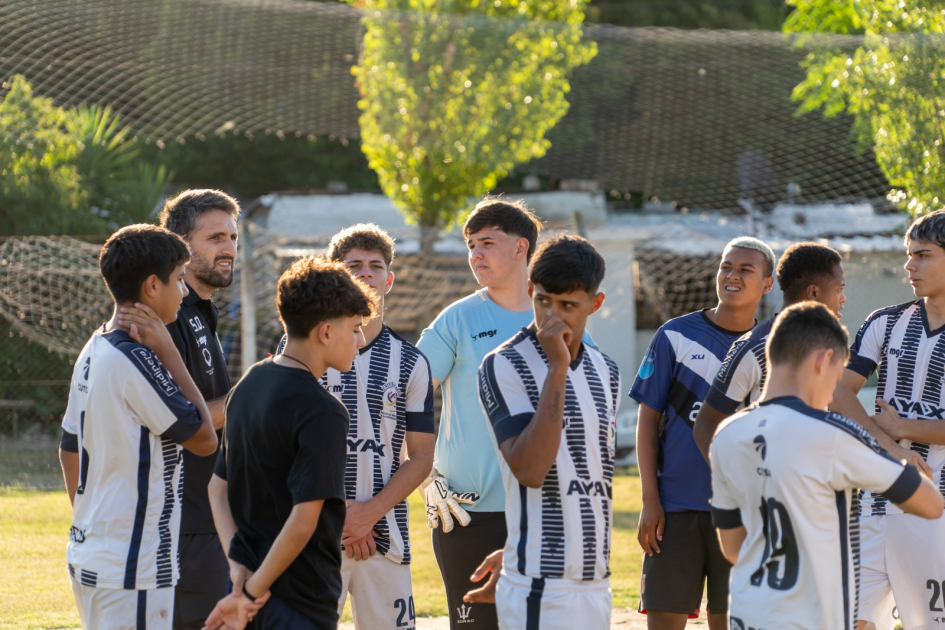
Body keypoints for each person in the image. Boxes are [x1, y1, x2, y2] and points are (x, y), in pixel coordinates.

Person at [711, 302, 943, 630]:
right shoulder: (834, 435)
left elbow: (733, 547)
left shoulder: (727, 435)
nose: (832, 394)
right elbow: (930, 504)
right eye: (836, 378)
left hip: (748, 615)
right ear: (823, 361)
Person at [203, 256, 376, 630]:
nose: (360, 341)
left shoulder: (249, 382)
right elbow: (302, 523)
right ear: (326, 332)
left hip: (247, 588)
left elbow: (217, 488)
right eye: (356, 328)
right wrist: (250, 594)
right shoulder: (323, 411)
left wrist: (239, 571)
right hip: (298, 603)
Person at [58, 224, 217, 630]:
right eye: (179, 280)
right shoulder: (138, 358)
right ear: (151, 286)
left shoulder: (95, 346)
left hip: (92, 556)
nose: (184, 292)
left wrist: (96, 527)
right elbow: (204, 438)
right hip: (133, 571)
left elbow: (68, 448)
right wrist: (169, 351)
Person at [277, 224, 435, 629]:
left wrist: (368, 515)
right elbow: (283, 446)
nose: (366, 273)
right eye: (354, 265)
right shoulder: (299, 349)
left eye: (375, 265)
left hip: (386, 539)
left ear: (390, 278)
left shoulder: (411, 362)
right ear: (335, 272)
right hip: (310, 536)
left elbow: (420, 457)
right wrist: (341, 516)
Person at [631, 236, 775, 629]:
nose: (732, 275)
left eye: (746, 269)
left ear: (768, 283)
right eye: (727, 266)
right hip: (676, 507)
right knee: (664, 620)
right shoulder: (674, 335)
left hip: (745, 510)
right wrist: (650, 499)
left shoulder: (775, 346)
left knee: (733, 621)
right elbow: (648, 421)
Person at [477, 235, 620, 629]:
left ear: (595, 304)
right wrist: (557, 370)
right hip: (540, 583)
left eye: (568, 306)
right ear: (529, 291)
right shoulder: (503, 364)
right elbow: (530, 470)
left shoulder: (606, 371)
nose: (553, 318)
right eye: (543, 301)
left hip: (596, 580)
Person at [416, 197, 546, 629]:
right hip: (469, 513)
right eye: (471, 244)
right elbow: (402, 401)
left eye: (487, 242)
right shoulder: (457, 319)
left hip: (544, 508)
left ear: (521, 247)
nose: (475, 254)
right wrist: (421, 475)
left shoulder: (557, 314)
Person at [829, 209, 945, 630]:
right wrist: (893, 448)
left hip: (937, 506)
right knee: (850, 619)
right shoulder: (885, 321)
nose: (909, 266)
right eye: (908, 255)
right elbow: (840, 393)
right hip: (875, 499)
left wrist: (902, 426)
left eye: (923, 255)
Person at [158, 189, 240, 630]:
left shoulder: (200, 310)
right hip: (185, 522)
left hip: (211, 516)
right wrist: (250, 395)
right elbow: (179, 422)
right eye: (215, 238)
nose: (228, 248)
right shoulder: (169, 316)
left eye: (232, 237)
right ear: (181, 245)